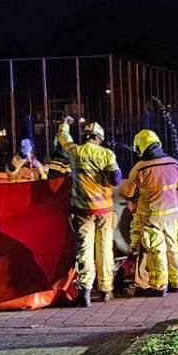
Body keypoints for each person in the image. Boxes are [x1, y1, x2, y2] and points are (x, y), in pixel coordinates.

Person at [56, 115, 122, 307]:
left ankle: (84, 292)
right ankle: (106, 289)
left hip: (83, 212)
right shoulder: (107, 154)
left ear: (85, 136)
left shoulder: (75, 151)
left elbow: (63, 141)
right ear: (99, 138)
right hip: (105, 212)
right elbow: (116, 179)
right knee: (104, 249)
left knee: (84, 250)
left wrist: (65, 125)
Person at [122, 129, 178, 297]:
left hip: (151, 217)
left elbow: (128, 192)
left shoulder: (140, 168)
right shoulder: (174, 163)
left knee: (157, 251)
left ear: (140, 147)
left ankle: (160, 286)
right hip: (172, 216)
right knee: (174, 248)